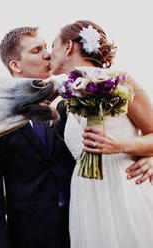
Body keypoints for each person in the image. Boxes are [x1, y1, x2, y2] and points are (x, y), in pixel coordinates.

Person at [48, 20, 153, 248]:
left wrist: (122, 146)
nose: (49, 53)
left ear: (68, 47)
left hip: (124, 186)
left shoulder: (121, 80)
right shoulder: (65, 100)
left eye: (52, 45)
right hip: (85, 194)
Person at [0, 27, 76, 248]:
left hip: (79, 225)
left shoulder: (70, 102)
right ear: (15, 65)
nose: (47, 54)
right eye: (37, 50)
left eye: (46, 48)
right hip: (30, 235)